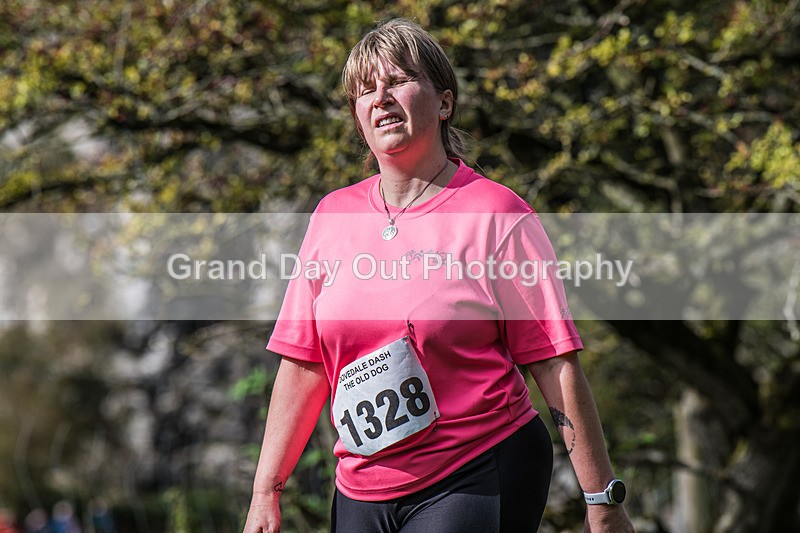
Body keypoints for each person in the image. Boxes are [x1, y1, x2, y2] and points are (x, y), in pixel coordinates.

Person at [244, 18, 634, 533]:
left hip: (476, 468)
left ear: (444, 102)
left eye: (398, 80)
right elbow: (303, 364)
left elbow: (553, 364)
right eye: (364, 90)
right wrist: (265, 491)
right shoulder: (331, 217)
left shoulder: (498, 214)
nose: (379, 97)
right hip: (361, 482)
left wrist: (601, 501)